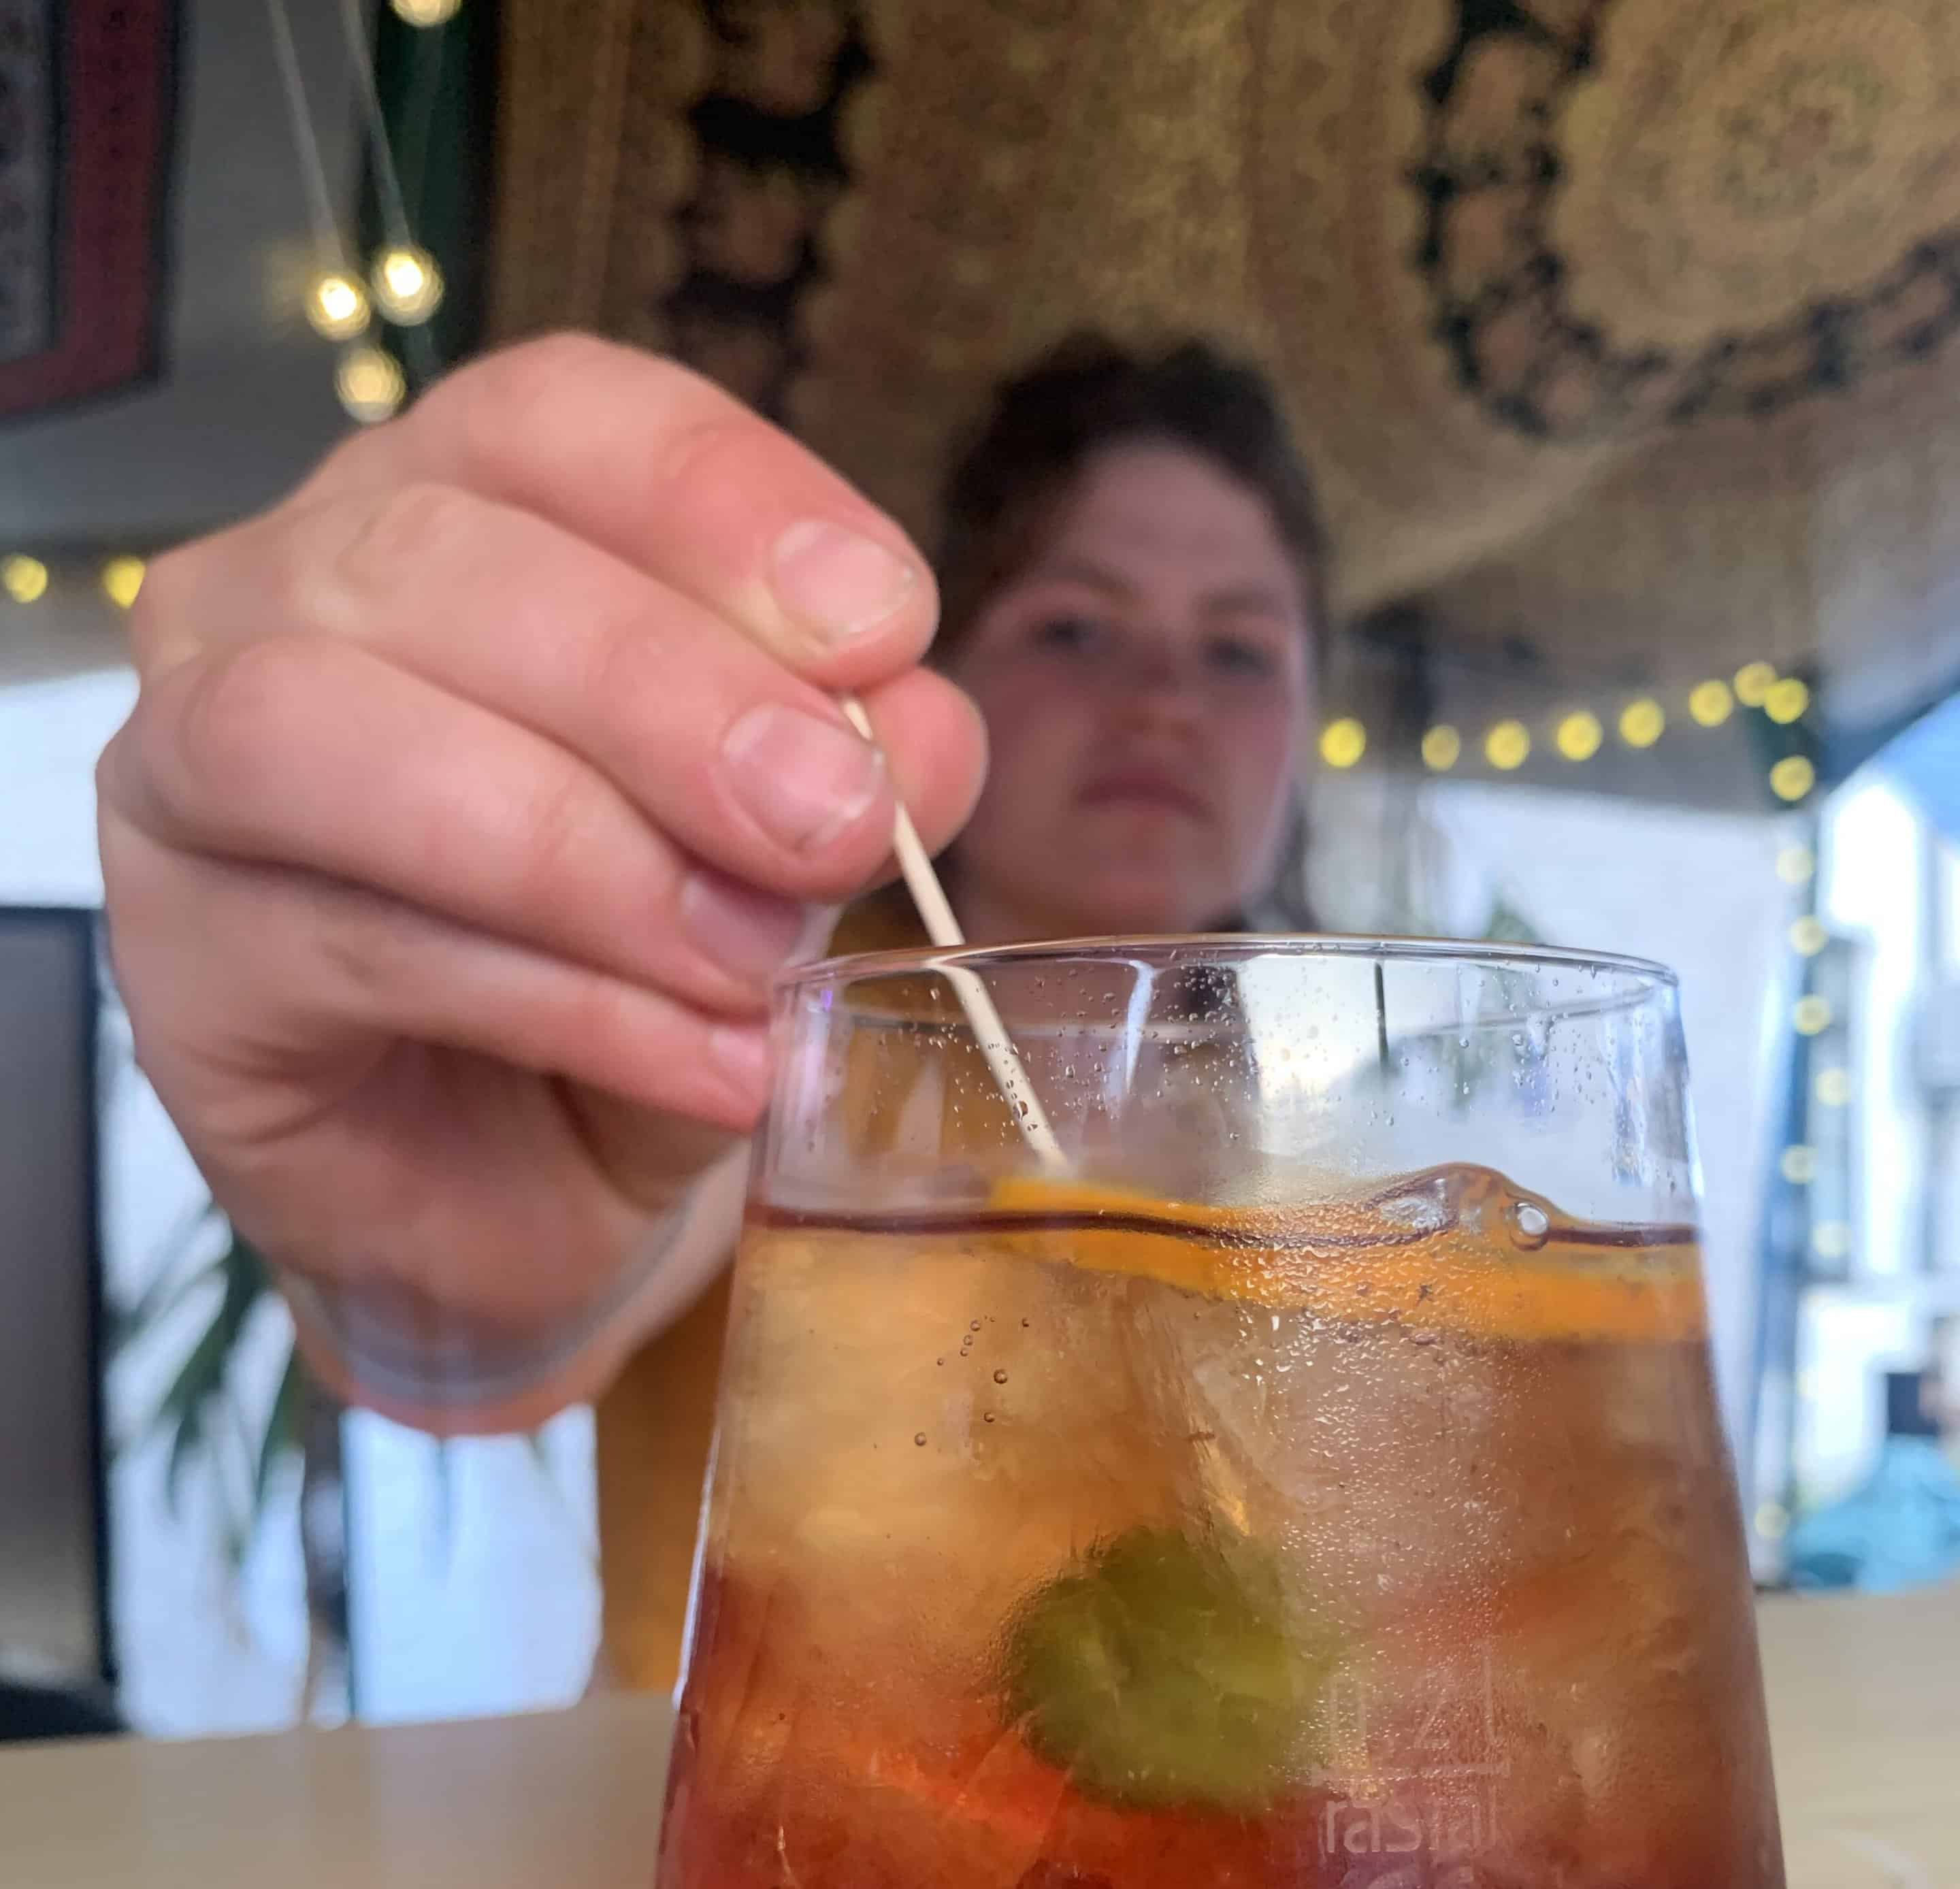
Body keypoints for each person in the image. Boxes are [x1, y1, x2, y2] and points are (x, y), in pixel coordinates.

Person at [98, 329, 1330, 1685]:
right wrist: (426, 1278)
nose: (1162, 703)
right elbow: (491, 1317)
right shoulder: (769, 993)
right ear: (947, 679)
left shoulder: (1338, 1109)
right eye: (1076, 628)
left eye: (1238, 652)